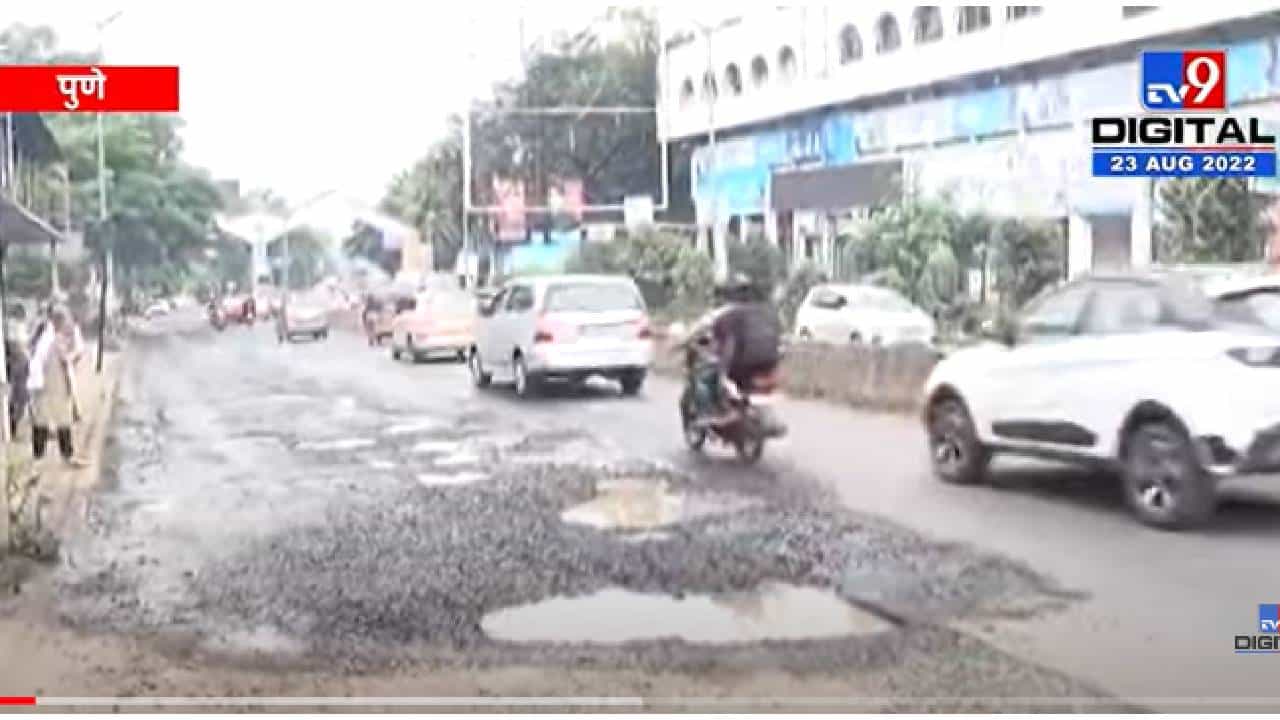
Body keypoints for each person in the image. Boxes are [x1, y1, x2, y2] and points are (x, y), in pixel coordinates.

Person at [691, 274, 783, 427]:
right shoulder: (765, 312)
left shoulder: (725, 314)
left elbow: (715, 339)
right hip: (770, 361)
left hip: (741, 363)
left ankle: (711, 413)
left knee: (704, 378)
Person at [27, 304, 87, 468]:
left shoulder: (67, 333)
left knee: (63, 418)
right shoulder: (44, 335)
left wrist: (69, 357)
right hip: (44, 381)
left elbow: (76, 351)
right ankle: (37, 458)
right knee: (41, 419)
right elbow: (35, 356)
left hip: (59, 379)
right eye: (61, 319)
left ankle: (67, 455)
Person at [5, 303, 31, 438]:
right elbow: (16, 346)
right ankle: (12, 424)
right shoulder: (13, 327)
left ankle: (13, 424)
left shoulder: (19, 326)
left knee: (21, 397)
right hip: (17, 365)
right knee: (17, 397)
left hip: (21, 364)